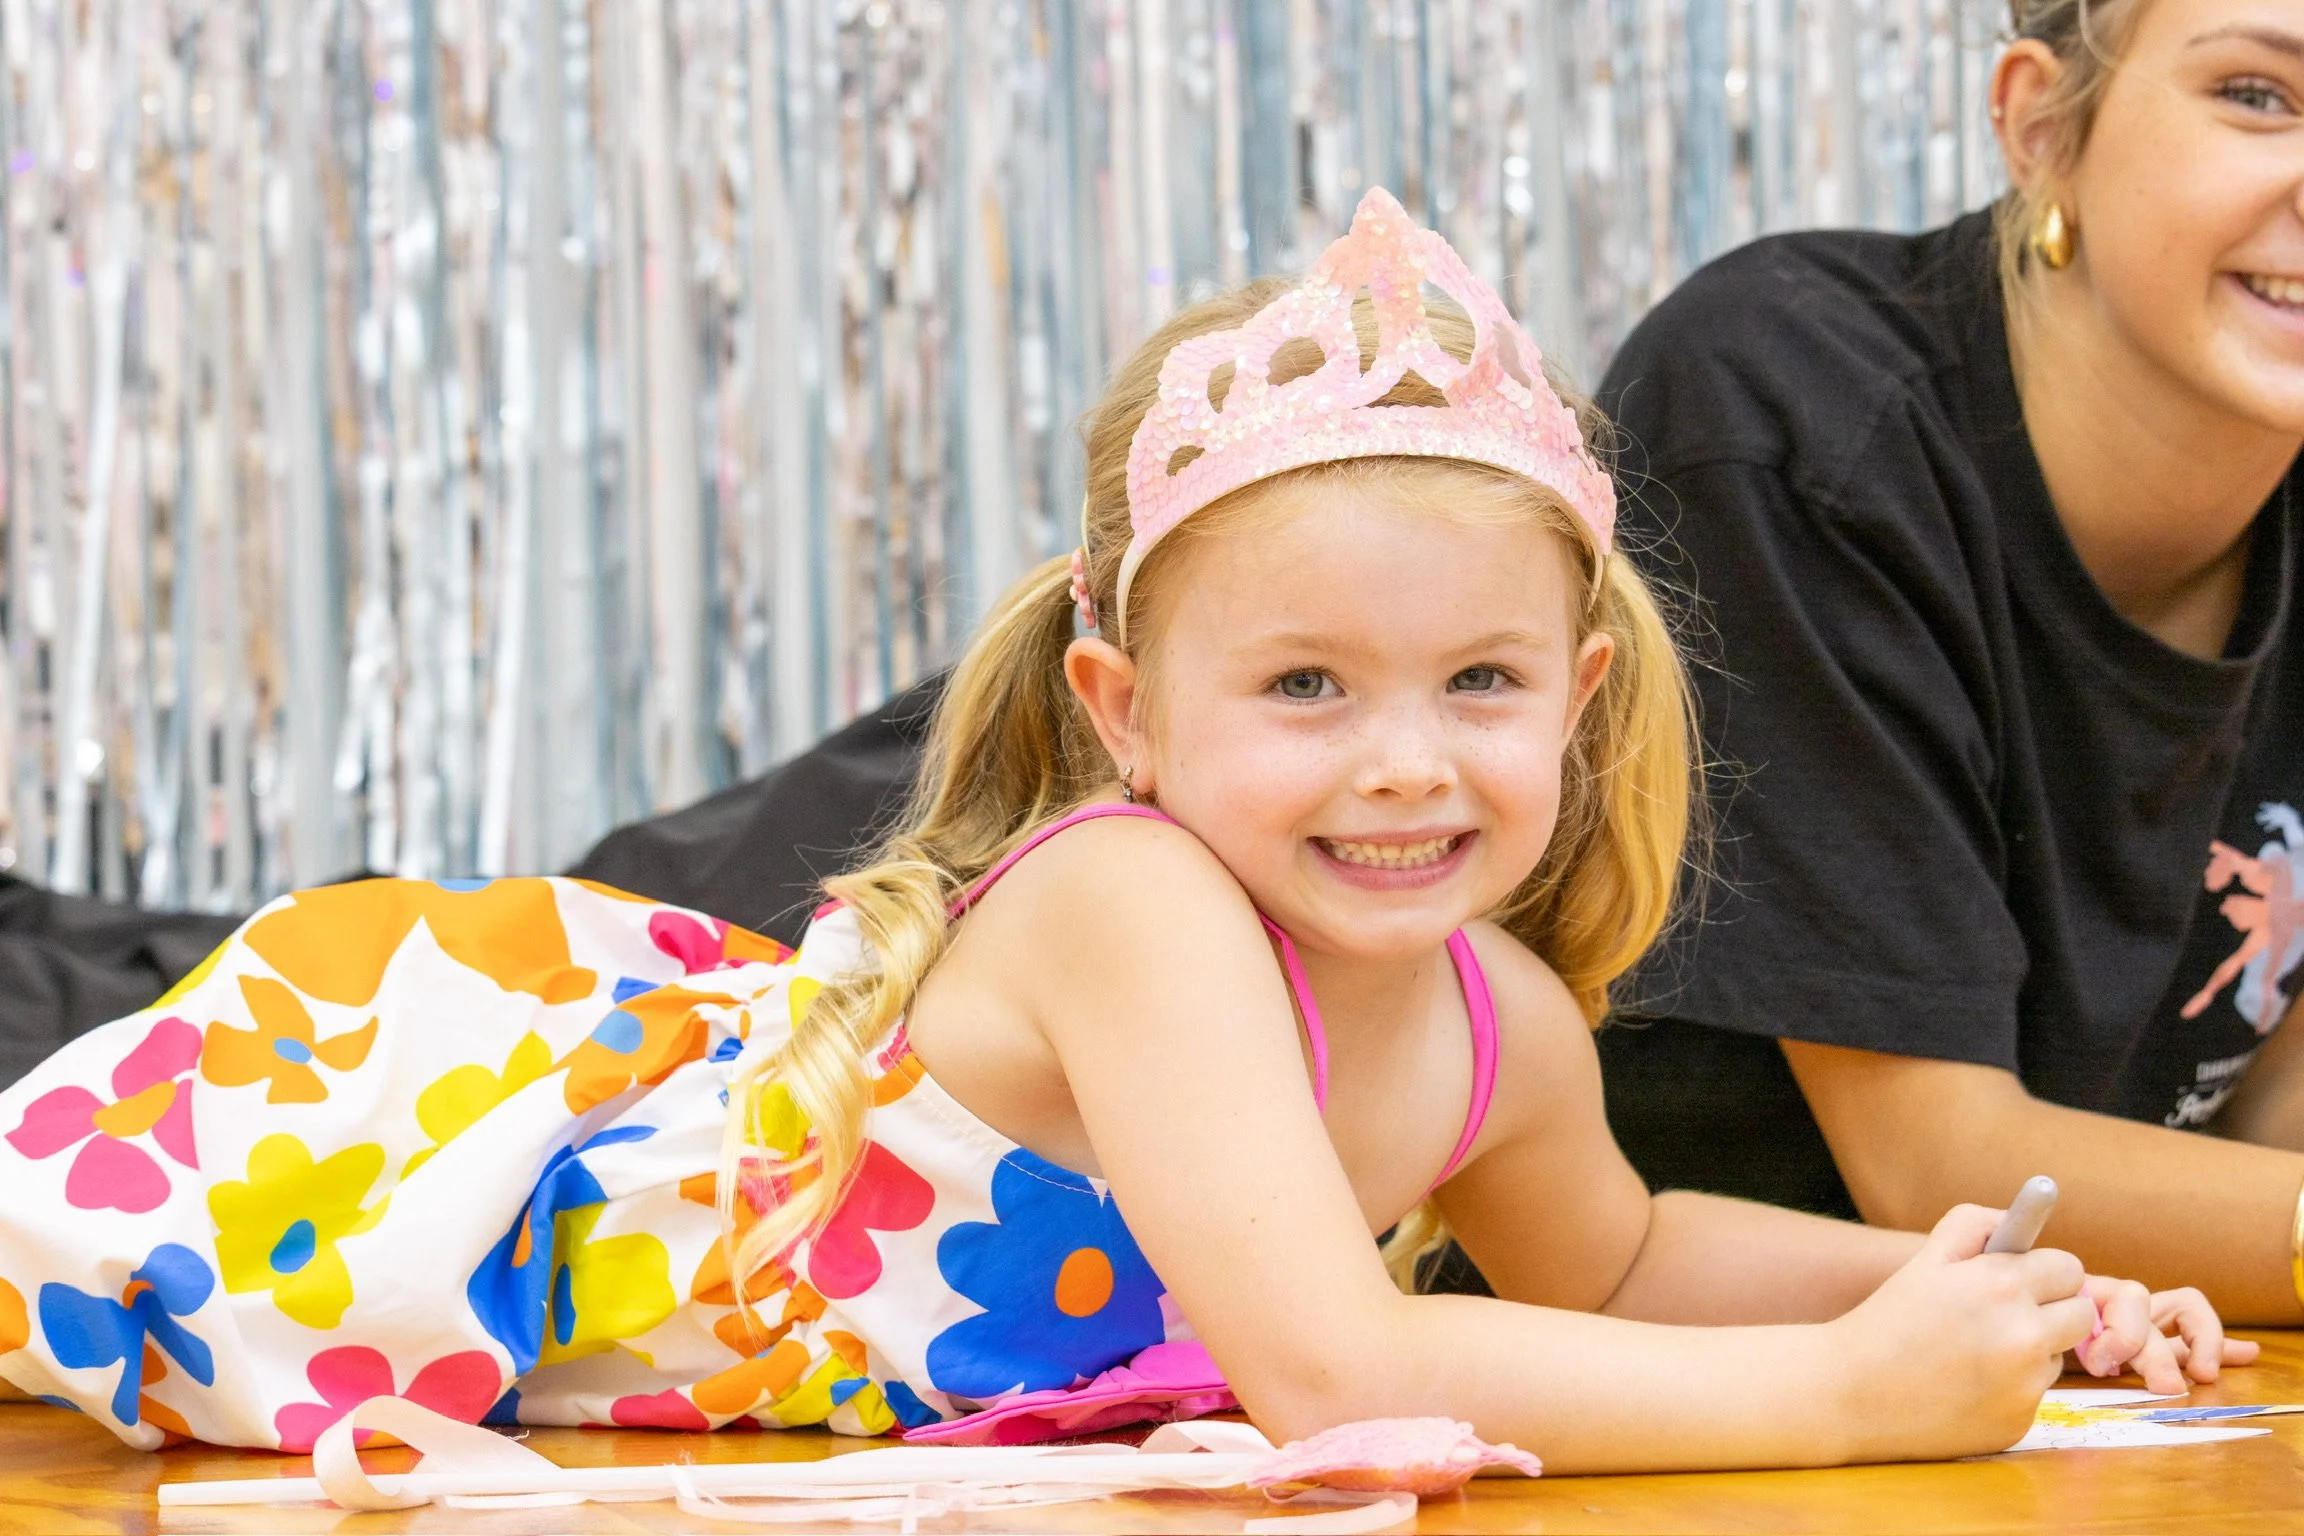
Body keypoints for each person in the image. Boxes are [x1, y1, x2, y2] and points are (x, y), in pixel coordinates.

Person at [0, 190, 2239, 1472]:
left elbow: (1627, 1262)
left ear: (1578, 704)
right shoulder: (1139, 905)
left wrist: (1985, 1288)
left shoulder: (1503, 1024)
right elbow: (1341, 1378)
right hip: (443, 1211)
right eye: (1304, 689)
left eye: (1478, 686)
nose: (1404, 764)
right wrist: (1844, 1401)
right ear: (1124, 715)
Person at [1590, 0, 2304, 1327]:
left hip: (2131, 1376)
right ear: (2041, 126)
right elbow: (1940, 1171)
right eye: (2259, 96)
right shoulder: (1783, 414)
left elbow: (2269, 1100)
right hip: (1667, 1403)